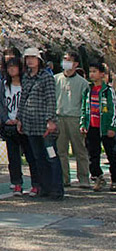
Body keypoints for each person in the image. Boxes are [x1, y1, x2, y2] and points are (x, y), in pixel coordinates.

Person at [17, 47, 63, 201]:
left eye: (33, 57)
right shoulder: (26, 77)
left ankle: (57, 188)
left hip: (44, 124)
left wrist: (51, 120)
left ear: (39, 60)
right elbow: (22, 99)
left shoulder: (46, 77)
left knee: (51, 156)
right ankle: (44, 187)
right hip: (30, 123)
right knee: (38, 158)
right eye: (27, 58)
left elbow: (51, 99)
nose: (30, 60)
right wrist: (20, 119)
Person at [0, 52, 35, 194]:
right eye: (9, 67)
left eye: (14, 67)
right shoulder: (2, 86)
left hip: (24, 124)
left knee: (30, 155)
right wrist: (6, 119)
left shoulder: (27, 84)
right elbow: (0, 104)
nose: (11, 69)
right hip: (8, 125)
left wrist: (20, 119)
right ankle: (16, 183)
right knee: (13, 157)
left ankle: (35, 183)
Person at [55, 50, 91, 188]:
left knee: (80, 150)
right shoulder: (56, 79)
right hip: (59, 117)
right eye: (64, 59)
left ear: (75, 64)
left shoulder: (83, 83)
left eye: (68, 60)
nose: (65, 62)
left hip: (75, 118)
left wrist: (84, 121)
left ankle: (83, 179)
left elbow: (85, 104)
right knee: (61, 151)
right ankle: (64, 178)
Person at [80, 59, 116, 192]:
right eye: (90, 72)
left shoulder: (108, 91)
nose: (92, 74)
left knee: (111, 154)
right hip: (92, 127)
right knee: (92, 154)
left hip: (105, 128)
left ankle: (114, 179)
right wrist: (83, 123)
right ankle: (98, 177)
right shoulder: (88, 90)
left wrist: (112, 127)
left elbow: (113, 110)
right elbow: (84, 108)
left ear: (102, 74)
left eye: (95, 72)